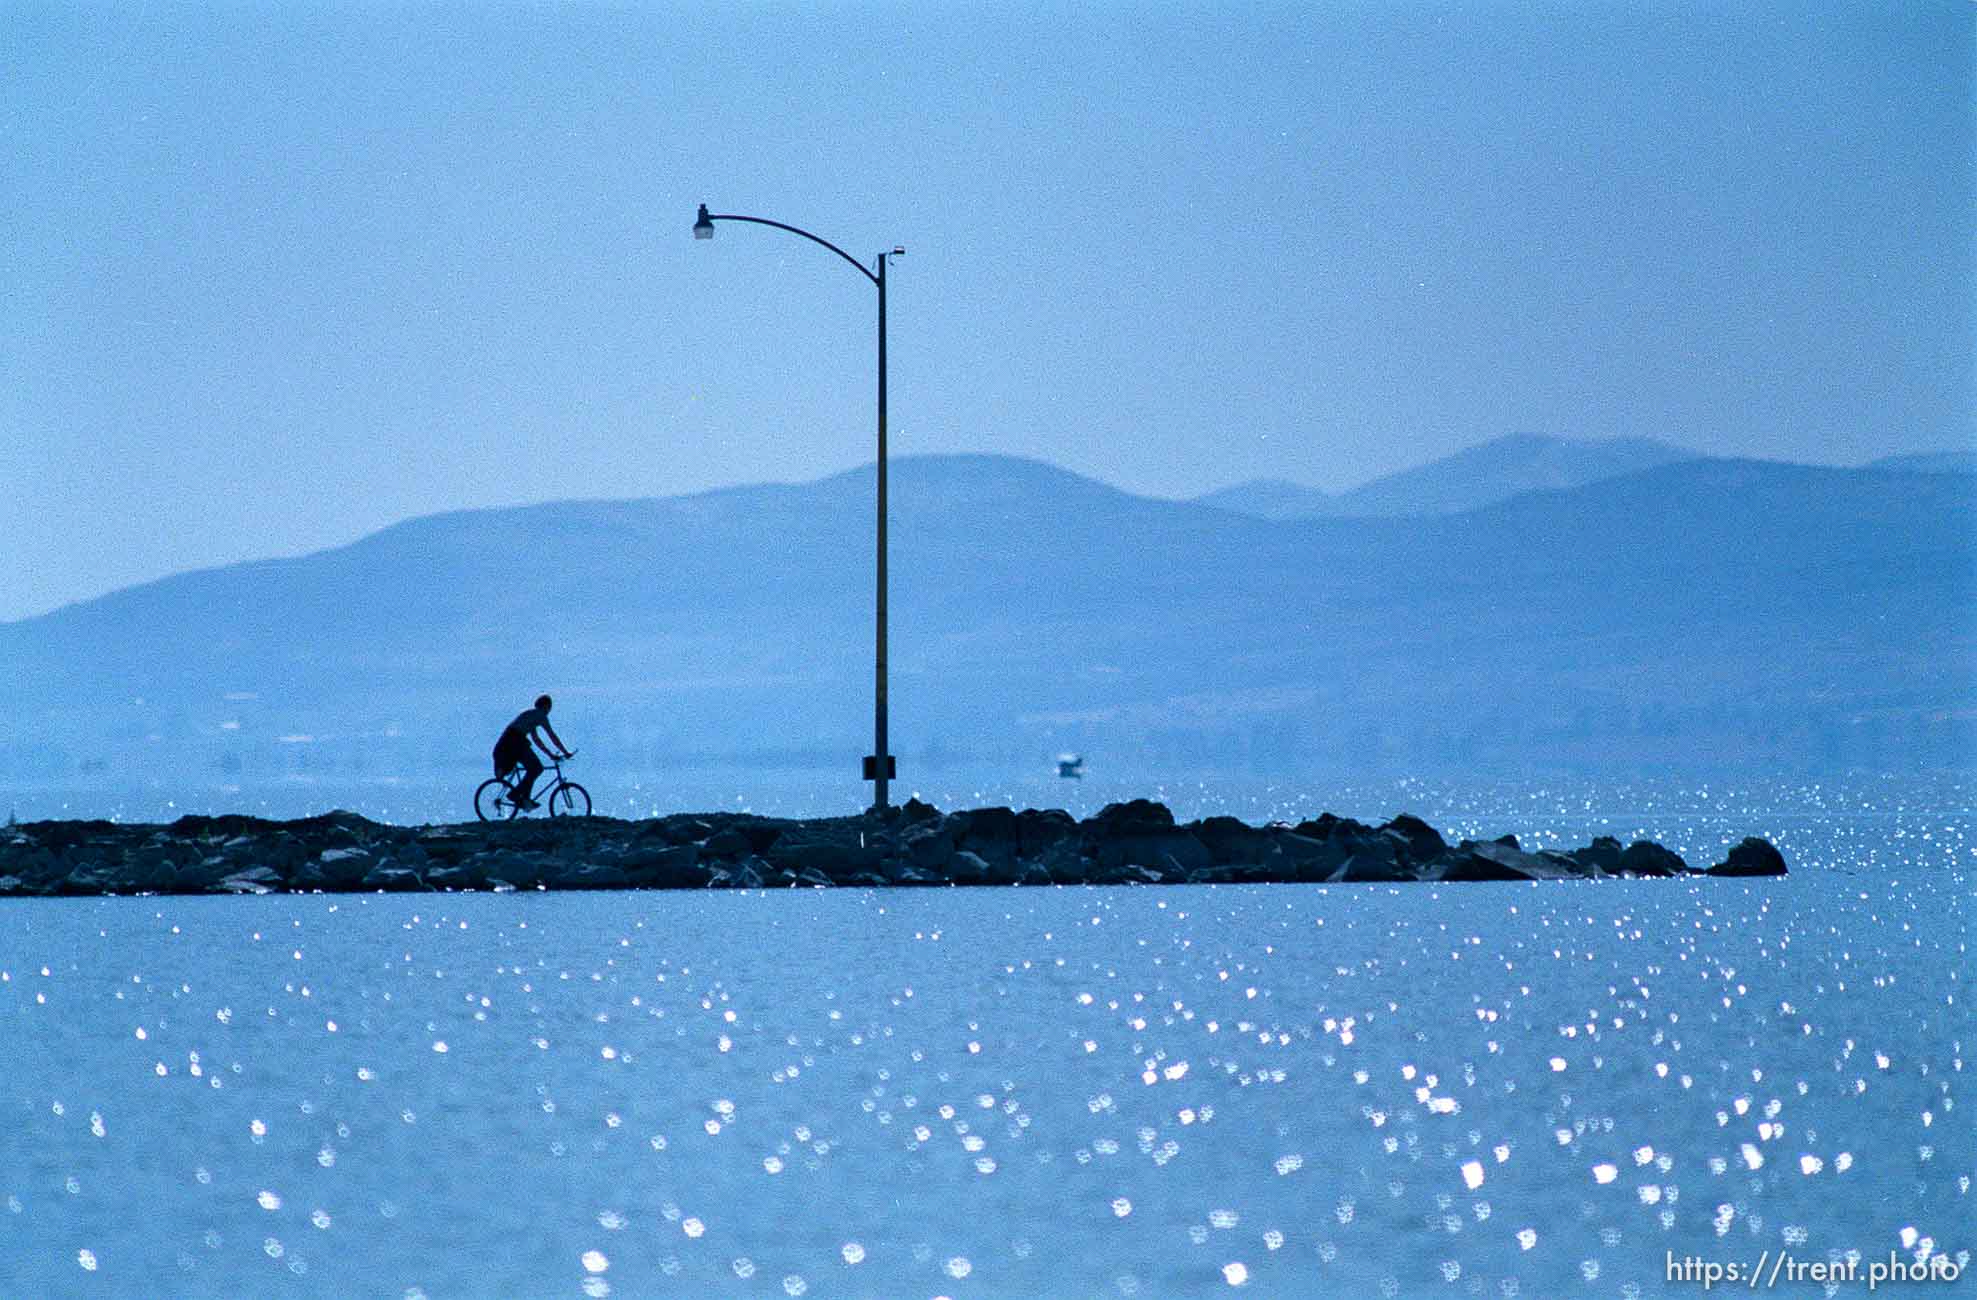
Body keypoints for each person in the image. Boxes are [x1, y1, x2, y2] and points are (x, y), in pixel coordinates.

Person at [493, 694, 572, 810]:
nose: (549, 711)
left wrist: (550, 755)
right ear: (546, 706)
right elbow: (552, 736)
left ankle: (525, 800)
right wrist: (565, 752)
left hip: (511, 740)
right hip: (515, 740)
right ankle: (515, 795)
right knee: (536, 768)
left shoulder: (532, 715)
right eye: (549, 707)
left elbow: (537, 740)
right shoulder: (540, 715)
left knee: (534, 768)